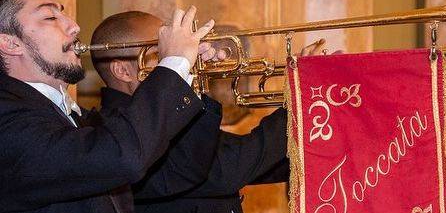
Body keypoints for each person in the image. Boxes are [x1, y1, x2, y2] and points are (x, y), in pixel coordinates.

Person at [0, 0, 220, 212]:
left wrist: (190, 80)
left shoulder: (76, 117)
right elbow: (124, 157)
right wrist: (173, 65)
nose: (74, 26)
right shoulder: (7, 119)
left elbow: (178, 173)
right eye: (50, 16)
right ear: (11, 44)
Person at [90, 11, 320, 213]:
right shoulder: (117, 131)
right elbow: (227, 170)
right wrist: (299, 100)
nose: (176, 57)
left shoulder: (167, 115)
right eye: (161, 53)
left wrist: (331, 115)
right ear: (122, 70)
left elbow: (261, 165)